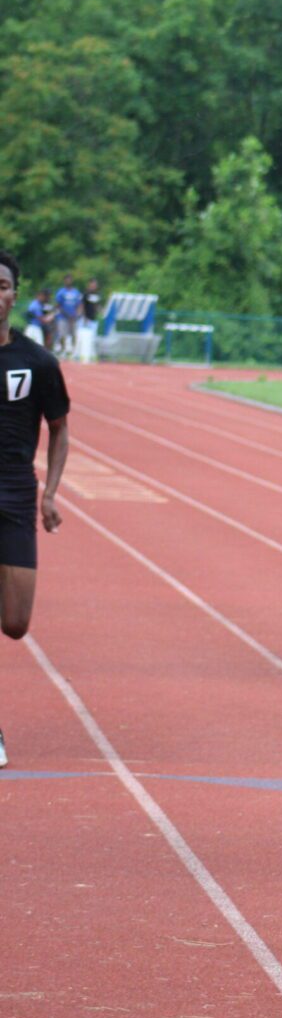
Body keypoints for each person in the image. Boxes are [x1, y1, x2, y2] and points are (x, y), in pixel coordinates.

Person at [0, 251, 73, 770]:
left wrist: (49, 494)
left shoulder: (38, 362)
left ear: (13, 294)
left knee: (16, 622)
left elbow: (60, 428)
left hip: (16, 496)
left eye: (1, 284)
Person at [53, 275, 82, 358]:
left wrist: (77, 314)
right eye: (67, 280)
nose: (69, 281)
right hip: (62, 317)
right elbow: (58, 305)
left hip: (73, 318)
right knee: (62, 334)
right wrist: (67, 315)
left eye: (70, 280)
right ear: (64, 281)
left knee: (73, 334)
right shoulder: (61, 292)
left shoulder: (76, 292)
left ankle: (73, 350)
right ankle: (63, 349)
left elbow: (79, 304)